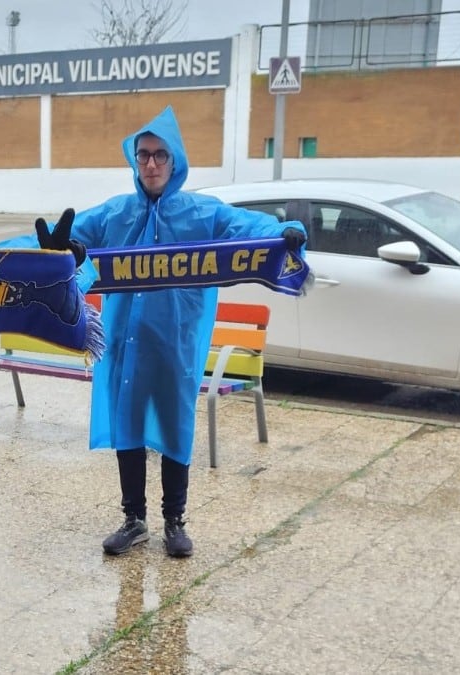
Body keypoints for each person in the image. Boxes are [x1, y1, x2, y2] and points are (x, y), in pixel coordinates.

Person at [35, 106, 306, 558]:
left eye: (160, 155)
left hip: (175, 344)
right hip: (124, 343)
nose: (152, 164)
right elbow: (67, 238)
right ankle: (133, 518)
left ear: (175, 160)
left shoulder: (201, 213)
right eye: (143, 156)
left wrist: (283, 231)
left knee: (175, 425)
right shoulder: (115, 215)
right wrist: (42, 251)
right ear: (134, 160)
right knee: (129, 425)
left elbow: (246, 227)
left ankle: (174, 520)